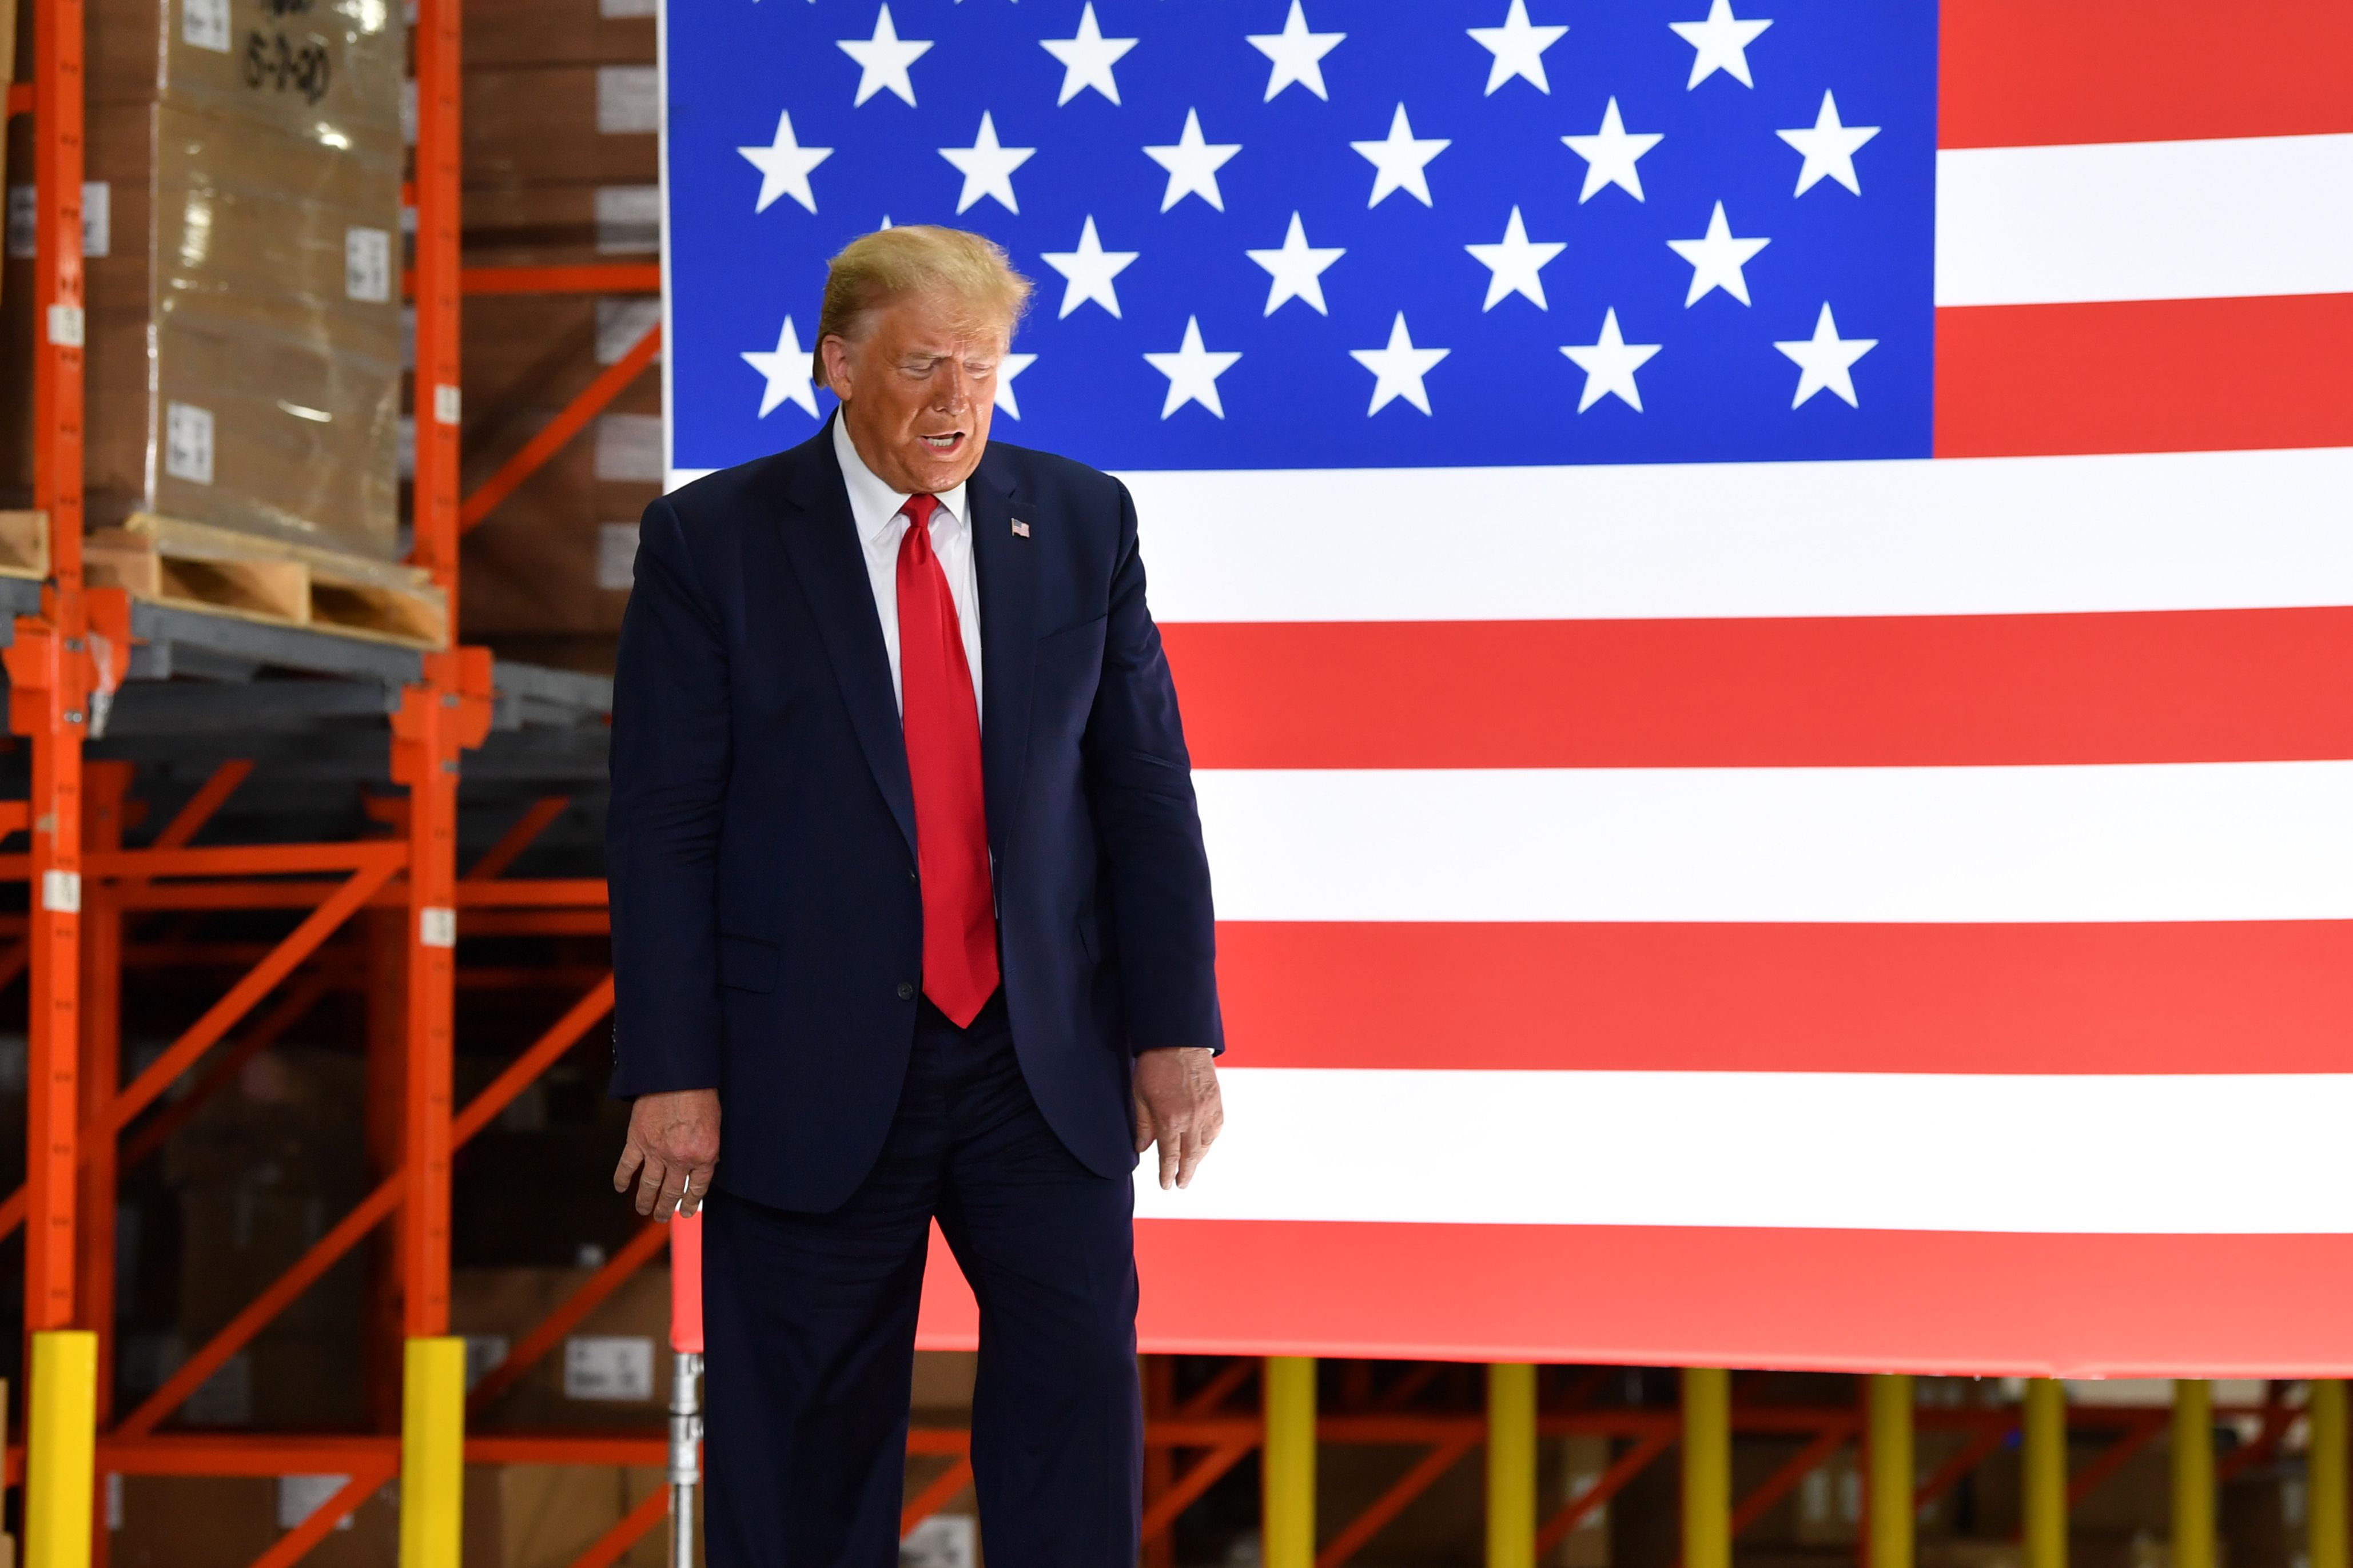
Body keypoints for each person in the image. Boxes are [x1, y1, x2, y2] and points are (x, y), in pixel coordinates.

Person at [604, 224, 1225, 1566]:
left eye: (984, 370)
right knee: (804, 1455)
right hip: (806, 1060)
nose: (959, 403)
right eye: (925, 366)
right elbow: (662, 827)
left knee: (1075, 1417)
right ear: (838, 365)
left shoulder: (1083, 520)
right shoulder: (712, 540)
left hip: (1037, 1056)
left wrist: (1178, 1037)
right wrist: (673, 1070)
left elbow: (1144, 793)